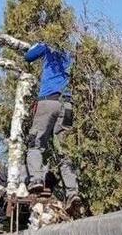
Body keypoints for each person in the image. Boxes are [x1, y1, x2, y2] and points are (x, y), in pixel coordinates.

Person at [24, 41, 81, 211]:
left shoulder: (48, 44)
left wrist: (37, 44)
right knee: (65, 151)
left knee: (35, 144)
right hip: (67, 105)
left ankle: (36, 180)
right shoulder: (72, 52)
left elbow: (28, 56)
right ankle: (72, 192)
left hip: (48, 101)